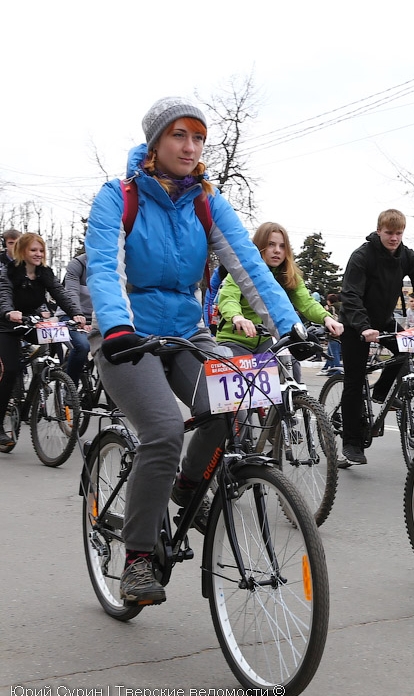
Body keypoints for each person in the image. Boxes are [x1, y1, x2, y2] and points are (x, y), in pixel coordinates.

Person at [85, 96, 310, 606]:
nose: (190, 147)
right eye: (179, 136)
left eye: (198, 137)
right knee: (163, 429)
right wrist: (117, 327)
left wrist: (291, 326)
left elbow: (250, 266)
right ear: (155, 143)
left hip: (187, 331)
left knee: (234, 403)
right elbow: (104, 266)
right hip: (129, 337)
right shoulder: (118, 196)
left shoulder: (207, 201)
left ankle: (188, 486)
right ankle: (139, 557)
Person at [339, 209, 414, 465]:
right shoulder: (362, 256)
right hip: (355, 326)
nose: (394, 238)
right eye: (389, 233)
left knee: (406, 350)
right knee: (354, 382)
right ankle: (352, 443)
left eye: (398, 233)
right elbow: (351, 295)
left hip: (384, 322)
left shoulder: (407, 256)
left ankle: (380, 393)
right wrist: (363, 327)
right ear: (379, 230)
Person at [214, 221, 343, 384]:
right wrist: (237, 317)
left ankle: (291, 406)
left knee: (291, 365)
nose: (277, 250)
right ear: (259, 246)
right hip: (235, 340)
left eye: (282, 246)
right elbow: (229, 297)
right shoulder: (241, 270)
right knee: (236, 400)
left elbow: (307, 302)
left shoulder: (290, 276)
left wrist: (327, 318)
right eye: (271, 245)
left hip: (268, 340)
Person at [0, 234, 86, 447]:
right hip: (7, 325)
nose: (38, 254)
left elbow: (60, 293)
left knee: (57, 337)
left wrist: (76, 313)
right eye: (33, 250)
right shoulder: (9, 273)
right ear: (22, 252)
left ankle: (48, 377)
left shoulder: (44, 273)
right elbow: (4, 296)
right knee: (10, 370)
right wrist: (9, 312)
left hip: (30, 321)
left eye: (40, 250)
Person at [59, 252, 93, 385]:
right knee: (82, 346)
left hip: (96, 317)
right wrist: (77, 316)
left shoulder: (112, 264)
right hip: (71, 314)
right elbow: (71, 292)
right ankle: (70, 388)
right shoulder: (77, 264)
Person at [321, 293, 344, 375]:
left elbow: (328, 320)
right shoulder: (343, 306)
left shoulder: (331, 308)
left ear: (329, 301)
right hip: (342, 331)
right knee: (331, 353)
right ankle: (330, 369)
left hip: (333, 332)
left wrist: (326, 311)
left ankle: (338, 370)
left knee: (334, 353)